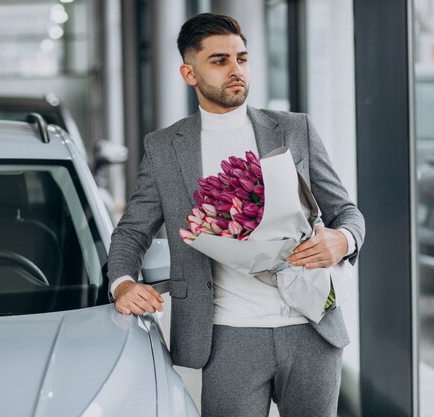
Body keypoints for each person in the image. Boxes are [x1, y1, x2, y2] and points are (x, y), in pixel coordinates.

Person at [107, 12, 365, 417]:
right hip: (227, 336)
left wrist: (342, 240)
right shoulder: (164, 148)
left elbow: (346, 211)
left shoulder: (294, 129)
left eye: (241, 59)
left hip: (311, 327)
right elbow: (131, 232)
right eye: (220, 60)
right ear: (189, 73)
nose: (236, 70)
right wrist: (122, 283)